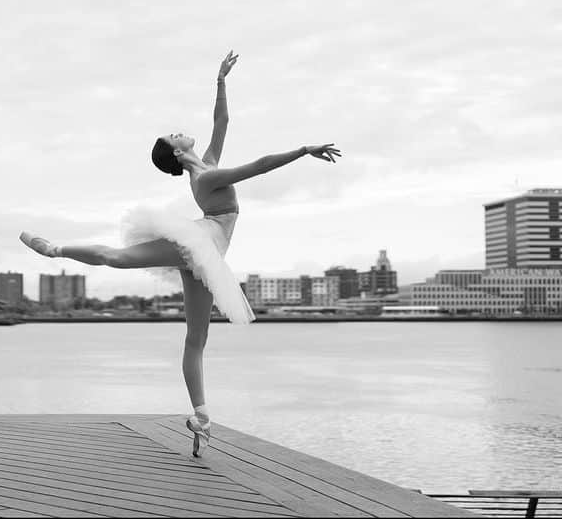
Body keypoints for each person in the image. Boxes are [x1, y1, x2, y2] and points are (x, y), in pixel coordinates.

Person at [20, 51, 341, 456]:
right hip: (200, 242)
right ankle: (54, 249)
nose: (178, 132)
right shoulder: (207, 177)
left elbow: (221, 123)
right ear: (175, 153)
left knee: (196, 339)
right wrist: (303, 150)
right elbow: (259, 165)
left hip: (206, 256)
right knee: (118, 258)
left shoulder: (206, 164)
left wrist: (220, 81)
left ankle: (201, 417)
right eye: (174, 136)